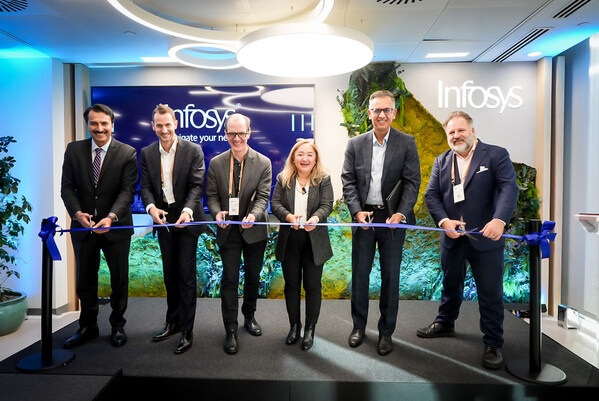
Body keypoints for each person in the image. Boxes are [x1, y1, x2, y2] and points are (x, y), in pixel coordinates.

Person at [417, 111, 518, 370]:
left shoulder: (496, 155)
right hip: (453, 237)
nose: (456, 136)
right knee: (450, 284)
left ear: (472, 131)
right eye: (451, 132)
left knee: (490, 292)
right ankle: (445, 323)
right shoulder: (442, 161)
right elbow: (431, 196)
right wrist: (443, 222)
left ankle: (493, 343)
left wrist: (500, 220)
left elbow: (509, 188)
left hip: (486, 237)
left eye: (460, 130)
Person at [341, 90, 421, 356]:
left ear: (394, 113)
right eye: (377, 110)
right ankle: (358, 327)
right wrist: (356, 211)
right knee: (360, 276)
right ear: (369, 114)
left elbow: (412, 182)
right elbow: (348, 180)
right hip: (365, 218)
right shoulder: (355, 144)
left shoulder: (407, 143)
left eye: (386, 110)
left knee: (390, 277)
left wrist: (400, 213)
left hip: (392, 221)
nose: (382, 115)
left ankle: (386, 332)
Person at [61, 104, 137, 349]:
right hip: (83, 227)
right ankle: (87, 326)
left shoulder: (127, 153)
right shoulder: (74, 150)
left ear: (112, 125)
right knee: (85, 280)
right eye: (94, 123)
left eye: (104, 123)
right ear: (88, 125)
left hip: (115, 227)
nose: (99, 128)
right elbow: (67, 188)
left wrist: (112, 216)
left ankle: (117, 326)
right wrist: (76, 213)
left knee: (119, 280)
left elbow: (127, 191)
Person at [140, 103, 206, 355]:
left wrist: (188, 211)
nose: (164, 130)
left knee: (186, 276)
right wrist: (150, 208)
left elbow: (197, 186)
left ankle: (187, 330)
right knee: (170, 275)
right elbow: (145, 186)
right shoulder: (146, 153)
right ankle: (173, 322)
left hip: (187, 220)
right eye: (159, 125)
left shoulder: (193, 150)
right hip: (163, 220)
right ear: (153, 126)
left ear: (176, 124)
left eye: (168, 124)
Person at [206, 113, 272, 354]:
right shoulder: (216, 163)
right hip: (228, 231)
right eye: (231, 133)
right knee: (230, 280)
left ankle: (249, 317)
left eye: (241, 133)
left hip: (254, 230)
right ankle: (230, 329)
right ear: (225, 134)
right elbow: (212, 196)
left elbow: (264, 196)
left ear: (249, 133)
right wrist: (216, 214)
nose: (236, 138)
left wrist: (253, 216)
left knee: (253, 278)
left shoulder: (263, 162)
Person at [271, 140, 334, 350]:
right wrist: (288, 216)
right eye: (300, 154)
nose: (305, 158)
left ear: (315, 158)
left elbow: (327, 205)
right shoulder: (283, 178)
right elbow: (275, 204)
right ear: (293, 158)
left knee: (313, 286)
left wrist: (315, 219)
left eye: (309, 154)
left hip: (314, 240)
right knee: (291, 285)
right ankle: (294, 327)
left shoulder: (324, 179)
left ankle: (309, 329)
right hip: (290, 239)